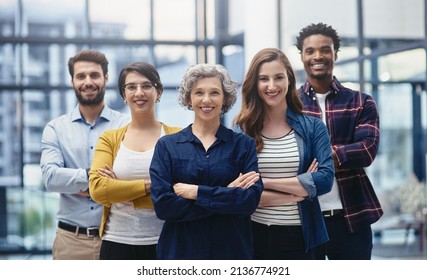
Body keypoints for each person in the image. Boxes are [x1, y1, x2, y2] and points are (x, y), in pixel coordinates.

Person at [149, 63, 263, 260]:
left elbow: (249, 202)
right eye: (199, 92)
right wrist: (226, 196)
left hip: (231, 253)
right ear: (189, 98)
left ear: (225, 98)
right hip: (180, 254)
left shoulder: (244, 145)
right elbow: (164, 206)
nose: (206, 100)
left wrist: (196, 192)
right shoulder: (167, 146)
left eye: (215, 93)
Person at [233, 48, 334, 260]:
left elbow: (324, 181)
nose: (272, 86)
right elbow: (238, 194)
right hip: (253, 235)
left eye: (278, 77)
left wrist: (263, 181)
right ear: (254, 83)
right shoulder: (241, 131)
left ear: (289, 79)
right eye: (264, 79)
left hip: (301, 236)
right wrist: (300, 190)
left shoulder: (313, 128)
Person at [296, 22, 383, 260]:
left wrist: (320, 157)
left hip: (351, 218)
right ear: (301, 56)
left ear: (335, 53)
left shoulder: (361, 102)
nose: (318, 56)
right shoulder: (289, 105)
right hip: (302, 219)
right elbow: (287, 156)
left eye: (325, 49)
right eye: (310, 51)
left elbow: (366, 150)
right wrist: (340, 155)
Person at [40, 49, 130, 260]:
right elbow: (51, 178)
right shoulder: (55, 128)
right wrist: (98, 180)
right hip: (71, 242)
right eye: (81, 76)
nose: (88, 82)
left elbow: (131, 177)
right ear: (72, 81)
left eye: (94, 75)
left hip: (117, 239)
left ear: (105, 78)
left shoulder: (126, 125)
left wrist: (76, 183)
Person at [88, 62, 181, 260]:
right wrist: (153, 186)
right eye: (131, 87)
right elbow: (97, 189)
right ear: (124, 94)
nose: (139, 92)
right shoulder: (109, 138)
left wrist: (120, 191)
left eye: (146, 86)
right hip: (116, 243)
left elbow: (184, 192)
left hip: (166, 243)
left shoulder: (178, 137)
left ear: (159, 92)